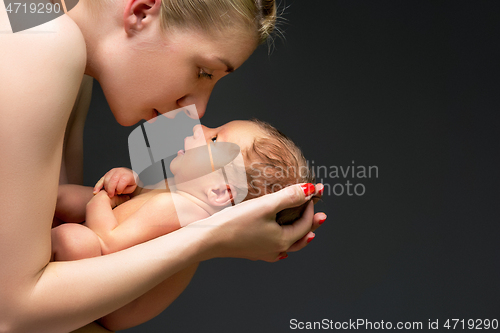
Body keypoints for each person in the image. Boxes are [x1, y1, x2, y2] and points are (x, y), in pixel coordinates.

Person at [0, 0, 326, 332]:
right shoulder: (49, 41)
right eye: (203, 71)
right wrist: (211, 237)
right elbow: (13, 314)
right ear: (141, 12)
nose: (197, 110)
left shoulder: (35, 25)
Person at [52, 119, 319, 330]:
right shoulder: (178, 196)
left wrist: (99, 200)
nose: (199, 128)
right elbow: (126, 210)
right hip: (100, 274)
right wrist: (123, 184)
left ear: (219, 191)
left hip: (103, 304)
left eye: (214, 138)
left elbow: (107, 243)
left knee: (75, 239)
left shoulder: (182, 211)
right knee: (61, 197)